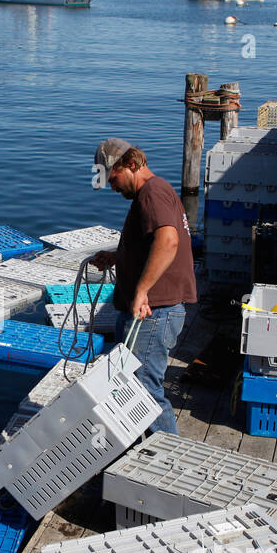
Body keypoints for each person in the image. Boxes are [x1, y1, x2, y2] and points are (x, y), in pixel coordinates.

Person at [89, 138, 197, 435]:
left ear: (131, 165)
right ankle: (150, 450)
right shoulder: (152, 193)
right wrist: (117, 257)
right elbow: (152, 243)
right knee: (134, 384)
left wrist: (141, 290)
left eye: (113, 178)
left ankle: (169, 457)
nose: (112, 186)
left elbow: (168, 240)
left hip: (155, 312)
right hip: (153, 310)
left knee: (143, 388)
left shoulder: (152, 192)